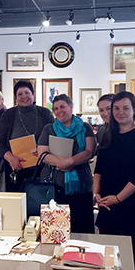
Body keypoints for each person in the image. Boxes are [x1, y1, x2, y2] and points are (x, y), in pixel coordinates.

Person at [94, 91, 135, 270]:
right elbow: (99, 169)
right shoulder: (109, 136)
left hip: (130, 205)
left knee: (131, 253)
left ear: (134, 110)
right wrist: (96, 194)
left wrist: (117, 198)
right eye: (116, 108)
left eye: (126, 108)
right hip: (107, 204)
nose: (120, 112)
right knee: (109, 252)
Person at [38, 94, 96, 233]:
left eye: (62, 106)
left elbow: (89, 151)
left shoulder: (85, 127)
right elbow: (43, 154)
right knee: (57, 229)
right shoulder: (48, 129)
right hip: (55, 184)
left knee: (82, 227)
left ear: (71, 107)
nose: (59, 111)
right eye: (56, 108)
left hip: (82, 184)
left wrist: (71, 161)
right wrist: (62, 163)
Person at [0, 80, 54, 191]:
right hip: (16, 168)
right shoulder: (8, 115)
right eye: (20, 94)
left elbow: (54, 138)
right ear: (16, 98)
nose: (24, 96)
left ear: (33, 94)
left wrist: (44, 150)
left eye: (27, 93)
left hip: (42, 168)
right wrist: (11, 158)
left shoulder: (45, 113)